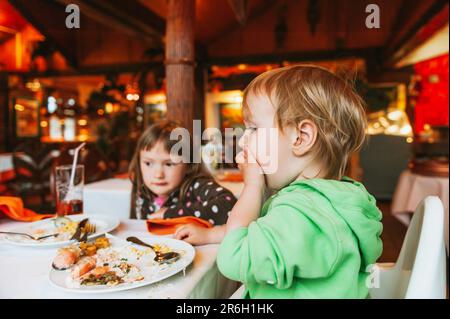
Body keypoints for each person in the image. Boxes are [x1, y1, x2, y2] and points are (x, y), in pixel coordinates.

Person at [216, 65, 383, 298]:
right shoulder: (332, 202)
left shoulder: (300, 213)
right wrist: (210, 235)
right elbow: (263, 232)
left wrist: (252, 187)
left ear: (301, 137)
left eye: (253, 129)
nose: (243, 141)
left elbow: (233, 257)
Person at [129, 120, 237, 245]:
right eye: (148, 163)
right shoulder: (142, 189)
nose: (158, 174)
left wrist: (170, 214)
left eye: (169, 164)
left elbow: (229, 203)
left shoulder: (196, 185)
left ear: (189, 164)